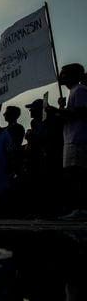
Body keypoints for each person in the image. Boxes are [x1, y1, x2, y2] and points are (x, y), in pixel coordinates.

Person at [52, 63, 87, 220]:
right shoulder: (74, 91)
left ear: (73, 75)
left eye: (64, 73)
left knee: (77, 174)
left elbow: (80, 113)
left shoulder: (80, 90)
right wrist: (60, 109)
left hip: (78, 138)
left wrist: (56, 111)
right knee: (72, 174)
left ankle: (82, 208)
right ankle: (77, 207)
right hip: (71, 139)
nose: (60, 76)